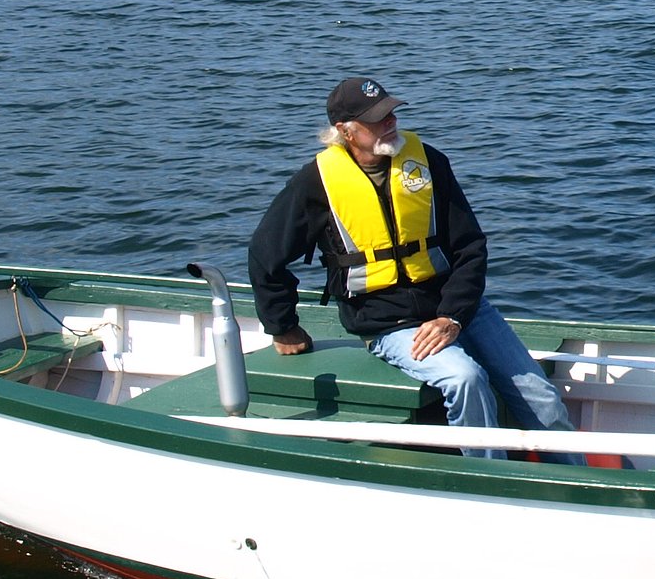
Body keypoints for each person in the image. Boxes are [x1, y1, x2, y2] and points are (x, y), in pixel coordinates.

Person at [247, 75, 576, 456]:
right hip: (388, 322)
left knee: (543, 398)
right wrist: (283, 326)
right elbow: (265, 255)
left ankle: (578, 480)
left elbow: (471, 247)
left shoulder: (427, 162)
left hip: (457, 308)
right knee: (466, 378)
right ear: (345, 131)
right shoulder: (314, 184)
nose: (390, 122)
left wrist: (452, 315)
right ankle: (490, 478)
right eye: (377, 118)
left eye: (391, 112)